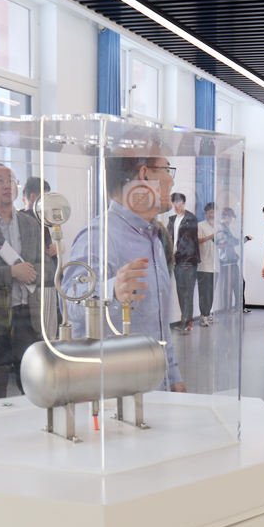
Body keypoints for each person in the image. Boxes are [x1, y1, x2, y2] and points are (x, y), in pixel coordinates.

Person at [62, 148, 185, 393]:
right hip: (117, 393)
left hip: (154, 386)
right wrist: (111, 291)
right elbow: (69, 302)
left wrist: (172, 375)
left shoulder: (153, 237)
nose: (171, 181)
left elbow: (157, 322)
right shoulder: (99, 235)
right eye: (166, 169)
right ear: (145, 175)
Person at [0, 163, 54, 398]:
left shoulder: (31, 224)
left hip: (27, 315)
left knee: (34, 386)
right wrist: (10, 273)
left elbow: (50, 269)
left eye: (11, 181)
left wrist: (29, 272)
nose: (7, 185)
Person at [168, 192, 200, 333]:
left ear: (184, 203)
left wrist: (176, 255)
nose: (175, 206)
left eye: (177, 202)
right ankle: (184, 320)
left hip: (187, 260)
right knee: (181, 291)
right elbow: (169, 239)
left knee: (187, 292)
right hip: (176, 261)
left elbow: (188, 242)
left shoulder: (190, 219)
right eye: (173, 203)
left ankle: (187, 322)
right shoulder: (172, 220)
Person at [20, 175, 57, 259]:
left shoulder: (46, 217)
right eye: (44, 197)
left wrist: (57, 247)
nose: (47, 201)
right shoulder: (21, 220)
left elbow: (58, 239)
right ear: (33, 197)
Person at [196, 203, 216, 326]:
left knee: (211, 292)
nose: (212, 214)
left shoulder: (219, 226)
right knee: (204, 292)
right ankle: (203, 316)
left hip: (216, 265)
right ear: (206, 213)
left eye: (214, 212)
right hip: (203, 265)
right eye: (210, 212)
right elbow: (197, 241)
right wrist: (211, 236)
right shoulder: (200, 226)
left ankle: (208, 314)